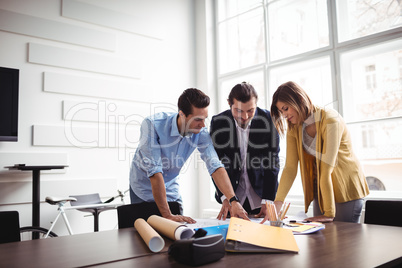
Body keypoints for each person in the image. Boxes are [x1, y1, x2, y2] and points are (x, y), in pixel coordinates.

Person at [129, 88, 249, 223]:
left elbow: (215, 165)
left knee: (177, 234)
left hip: (171, 190)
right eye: (198, 119)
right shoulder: (152, 125)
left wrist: (233, 200)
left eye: (205, 119)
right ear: (182, 114)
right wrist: (167, 215)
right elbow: (155, 172)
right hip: (142, 189)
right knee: (143, 236)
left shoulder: (201, 131)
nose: (203, 124)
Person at [268, 81, 369, 223]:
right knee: (320, 241)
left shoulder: (330, 119)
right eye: (281, 111)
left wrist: (329, 213)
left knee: (345, 241)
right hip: (322, 190)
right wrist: (278, 203)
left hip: (346, 187)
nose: (284, 115)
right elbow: (290, 168)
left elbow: (327, 168)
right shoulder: (293, 128)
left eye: (285, 108)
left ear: (300, 100)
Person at [210, 82, 280, 220]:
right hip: (231, 198)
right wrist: (226, 197)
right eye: (239, 111)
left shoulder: (267, 120)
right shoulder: (219, 123)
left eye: (250, 111)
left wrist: (268, 200)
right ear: (229, 103)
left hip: (261, 197)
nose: (245, 117)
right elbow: (214, 164)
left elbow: (272, 163)